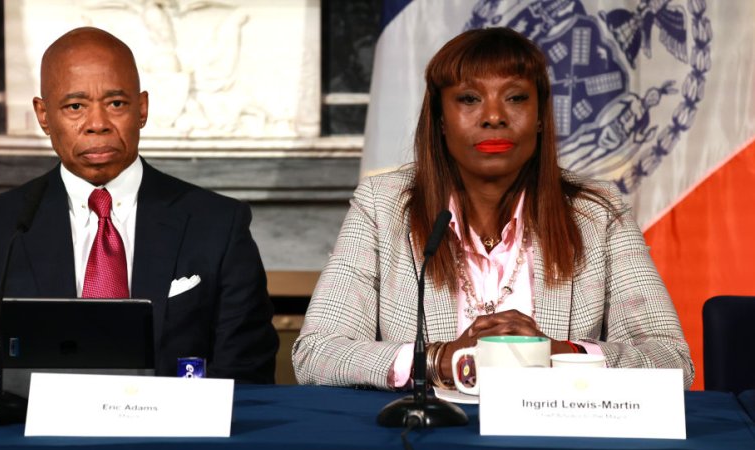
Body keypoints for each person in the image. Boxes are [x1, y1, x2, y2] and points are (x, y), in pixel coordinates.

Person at [292, 27, 694, 390]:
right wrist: (440, 359)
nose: (494, 117)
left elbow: (671, 361)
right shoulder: (382, 206)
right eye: (469, 99)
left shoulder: (598, 212)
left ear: (540, 117)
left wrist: (557, 353)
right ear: (440, 118)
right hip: (428, 439)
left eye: (516, 98)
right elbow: (316, 354)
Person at [0, 27, 278, 384]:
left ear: (142, 109)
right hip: (30, 436)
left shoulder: (219, 225)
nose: (98, 124)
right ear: (43, 115)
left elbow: (246, 376)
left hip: (175, 438)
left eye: (116, 104)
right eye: (75, 106)